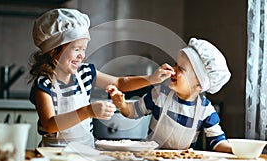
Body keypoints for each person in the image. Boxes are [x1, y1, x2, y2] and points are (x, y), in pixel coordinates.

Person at [28, 8, 173, 147]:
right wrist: (88, 111)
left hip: (86, 150)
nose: (81, 55)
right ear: (54, 52)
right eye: (76, 49)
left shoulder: (85, 73)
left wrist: (151, 79)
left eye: (84, 49)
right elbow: (50, 124)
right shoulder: (45, 84)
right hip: (53, 152)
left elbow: (119, 83)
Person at [108, 37, 233, 153]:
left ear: (200, 85)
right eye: (175, 64)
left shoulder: (205, 110)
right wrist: (122, 105)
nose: (173, 70)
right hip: (150, 158)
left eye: (181, 69)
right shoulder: (159, 94)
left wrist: (236, 150)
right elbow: (134, 111)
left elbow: (217, 141)